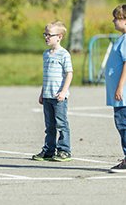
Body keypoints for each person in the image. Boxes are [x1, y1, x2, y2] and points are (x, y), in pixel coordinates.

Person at [31, 21, 73, 162]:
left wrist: (63, 91)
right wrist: (42, 93)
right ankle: (49, 150)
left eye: (49, 35)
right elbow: (46, 76)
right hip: (48, 95)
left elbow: (69, 74)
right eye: (45, 34)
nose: (46, 37)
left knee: (61, 124)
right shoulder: (46, 54)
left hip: (59, 97)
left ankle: (64, 150)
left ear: (59, 37)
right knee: (49, 126)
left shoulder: (64, 54)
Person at [105, 4, 126, 173]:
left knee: (123, 124)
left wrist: (120, 87)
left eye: (116, 18)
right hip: (120, 94)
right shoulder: (122, 38)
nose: (113, 21)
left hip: (123, 94)